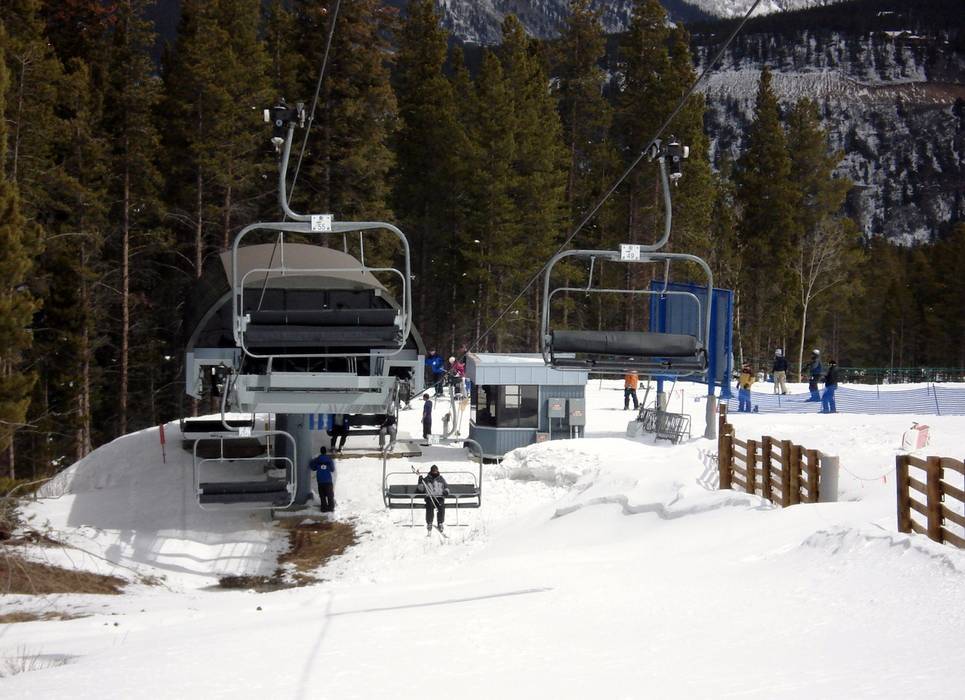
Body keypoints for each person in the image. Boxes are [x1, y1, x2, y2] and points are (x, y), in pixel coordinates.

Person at [416, 464, 449, 533]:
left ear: (437, 471)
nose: (434, 472)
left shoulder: (441, 479)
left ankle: (440, 522)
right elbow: (421, 489)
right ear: (431, 471)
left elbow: (446, 487)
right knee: (430, 506)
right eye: (433, 471)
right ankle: (429, 522)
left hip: (439, 496)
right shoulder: (426, 479)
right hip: (430, 497)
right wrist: (420, 482)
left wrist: (446, 491)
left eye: (436, 471)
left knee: (441, 506)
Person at [309, 447, 336, 513]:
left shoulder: (317, 459)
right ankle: (331, 507)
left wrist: (313, 461)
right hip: (328, 480)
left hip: (320, 480)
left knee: (322, 495)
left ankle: (324, 508)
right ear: (325, 452)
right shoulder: (329, 459)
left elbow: (312, 467)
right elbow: (332, 469)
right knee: (330, 495)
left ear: (320, 451)